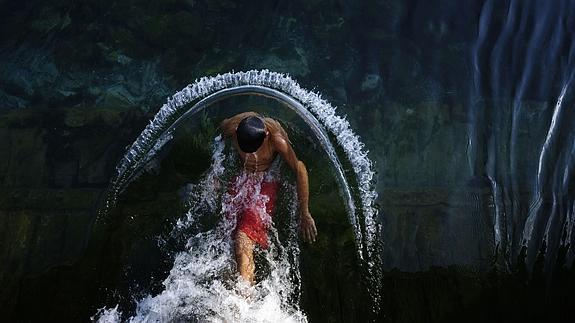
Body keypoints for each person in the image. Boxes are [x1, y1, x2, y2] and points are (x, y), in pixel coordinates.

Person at [220, 111, 317, 284]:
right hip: (243, 178)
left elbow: (300, 169)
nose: (251, 156)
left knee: (243, 237)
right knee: (227, 234)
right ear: (236, 133)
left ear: (266, 136)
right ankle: (239, 279)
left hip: (267, 181)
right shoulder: (232, 126)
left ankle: (245, 293)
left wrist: (305, 212)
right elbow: (220, 132)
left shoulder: (276, 139)